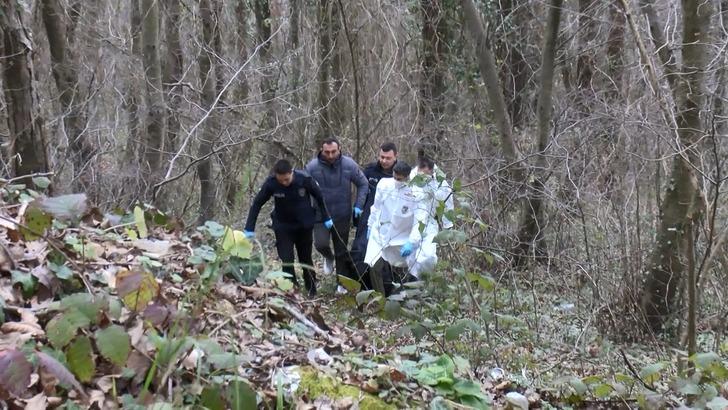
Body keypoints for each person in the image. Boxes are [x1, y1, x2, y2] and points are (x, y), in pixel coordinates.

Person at [243, 159, 333, 297]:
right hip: (283, 226)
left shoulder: (305, 179)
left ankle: (311, 288)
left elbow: (319, 197)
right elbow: (257, 204)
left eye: (286, 179)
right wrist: (249, 227)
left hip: (304, 226)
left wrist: (326, 217)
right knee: (287, 259)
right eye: (281, 180)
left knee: (305, 259)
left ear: (292, 172)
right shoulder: (271, 183)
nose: (284, 183)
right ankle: (291, 289)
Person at [364, 162, 439, 295]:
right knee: (373, 262)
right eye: (395, 177)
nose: (397, 181)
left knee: (417, 263)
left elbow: (420, 221)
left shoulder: (417, 193)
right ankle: (380, 296)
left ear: (407, 177)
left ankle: (410, 296)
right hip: (381, 232)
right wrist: (370, 225)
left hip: (404, 235)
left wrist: (412, 241)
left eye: (400, 179)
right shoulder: (384, 185)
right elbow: (376, 207)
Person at [305, 137, 368, 291]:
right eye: (327, 152)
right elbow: (303, 189)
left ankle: (341, 283)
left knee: (341, 250)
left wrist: (358, 205)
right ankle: (328, 256)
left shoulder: (349, 164)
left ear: (339, 149)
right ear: (321, 149)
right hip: (320, 215)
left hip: (342, 214)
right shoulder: (312, 167)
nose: (331, 155)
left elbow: (363, 183)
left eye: (334, 151)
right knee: (320, 244)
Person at [351, 142, 398, 288]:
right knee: (360, 247)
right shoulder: (371, 170)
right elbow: (362, 188)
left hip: (391, 217)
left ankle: (388, 285)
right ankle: (358, 283)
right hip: (369, 214)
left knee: (386, 253)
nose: (384, 161)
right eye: (382, 157)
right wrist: (358, 206)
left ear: (395, 157)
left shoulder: (401, 172)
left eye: (388, 158)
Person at [411, 157, 455, 229]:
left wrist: (448, 225)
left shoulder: (442, 185)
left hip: (432, 219)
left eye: (424, 173)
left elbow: (448, 205)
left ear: (430, 170)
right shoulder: (412, 177)